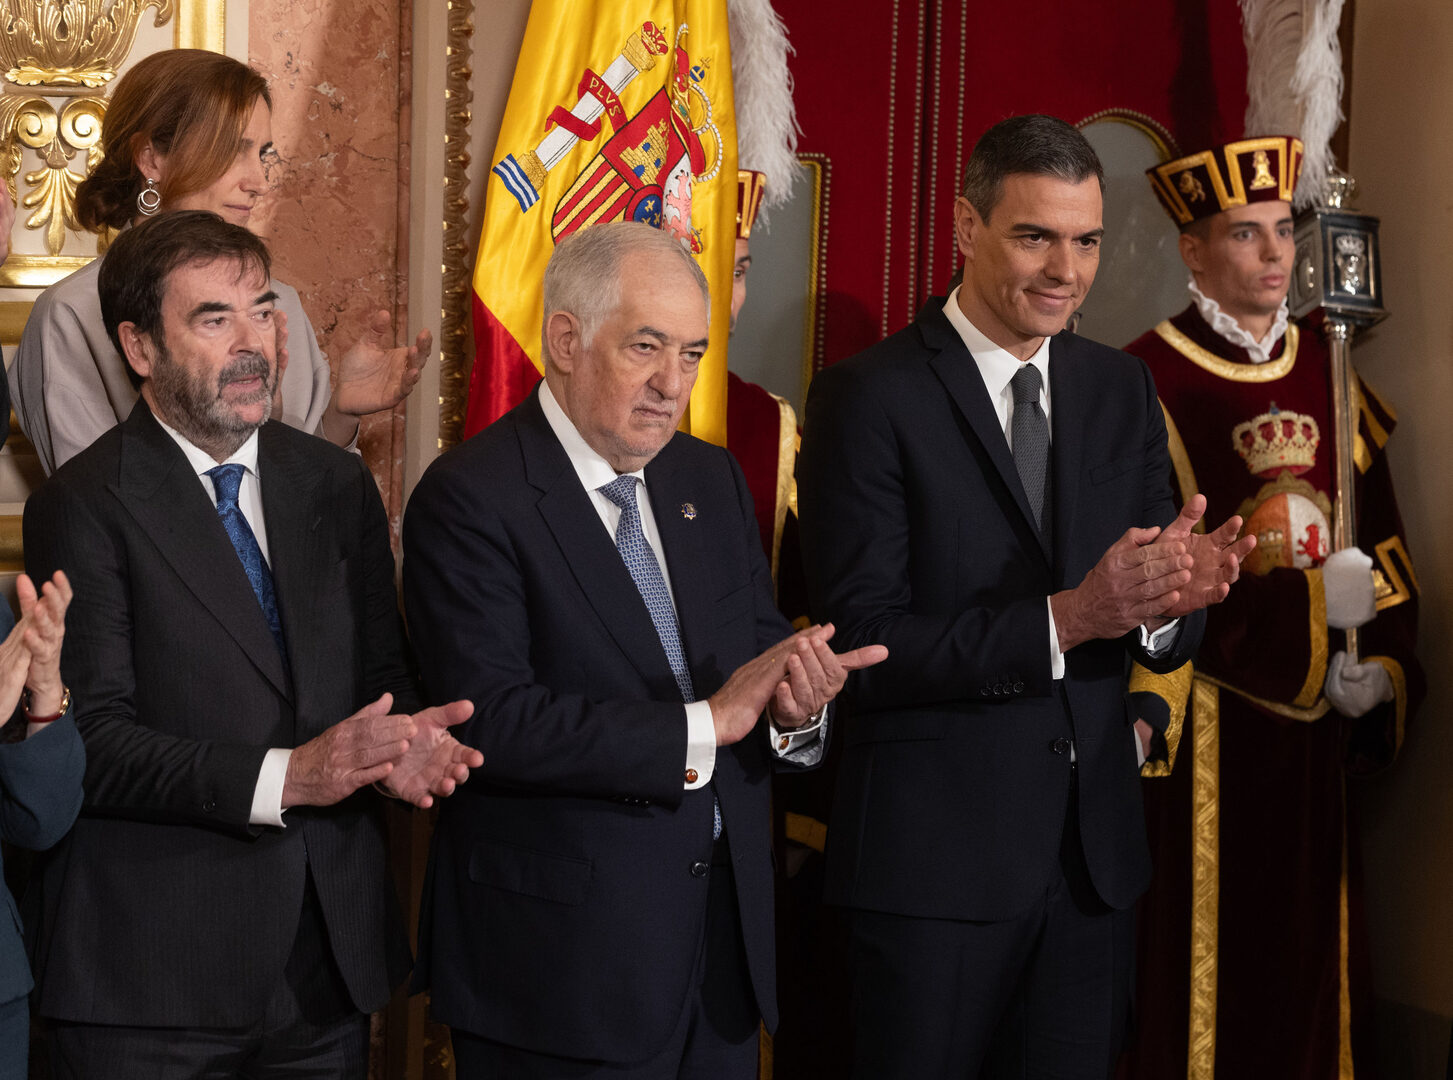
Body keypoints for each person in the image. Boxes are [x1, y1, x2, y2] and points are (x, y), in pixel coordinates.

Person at [794, 114, 1255, 1078]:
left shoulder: (1119, 388)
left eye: (1085, 242)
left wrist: (1171, 603)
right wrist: (1070, 618)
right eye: (1035, 236)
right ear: (966, 227)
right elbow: (863, 644)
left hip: (1090, 871)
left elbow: (1154, 620)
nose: (1065, 271)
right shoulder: (867, 396)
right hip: (930, 878)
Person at [402, 220, 886, 1078]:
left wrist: (795, 704)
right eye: (646, 348)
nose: (673, 384)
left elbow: (754, 658)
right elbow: (492, 720)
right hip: (562, 971)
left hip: (720, 958)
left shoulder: (708, 477)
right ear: (565, 340)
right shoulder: (472, 496)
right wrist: (706, 724)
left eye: (692, 354)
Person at [21, 210, 482, 1078]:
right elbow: (95, 746)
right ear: (139, 346)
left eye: (262, 310)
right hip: (153, 980)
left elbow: (383, 678)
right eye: (214, 318)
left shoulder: (333, 482)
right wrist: (290, 776)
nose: (252, 344)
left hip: (324, 967)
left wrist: (404, 748)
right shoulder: (83, 505)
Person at [1119, 136, 1422, 1079]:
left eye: (1283, 230)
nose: (1273, 254)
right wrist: (1306, 619)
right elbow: (1148, 585)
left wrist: (1384, 668)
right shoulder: (1142, 383)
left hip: (1316, 746)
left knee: (1308, 974)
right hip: (1203, 739)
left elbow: (1386, 556)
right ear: (1193, 250)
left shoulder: (1330, 372)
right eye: (1244, 234)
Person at [10, 48, 430, 475]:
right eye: (233, 151)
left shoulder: (280, 301)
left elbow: (308, 498)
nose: (259, 182)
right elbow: (93, 500)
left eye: (262, 153)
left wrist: (339, 417)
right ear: (151, 158)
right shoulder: (72, 314)